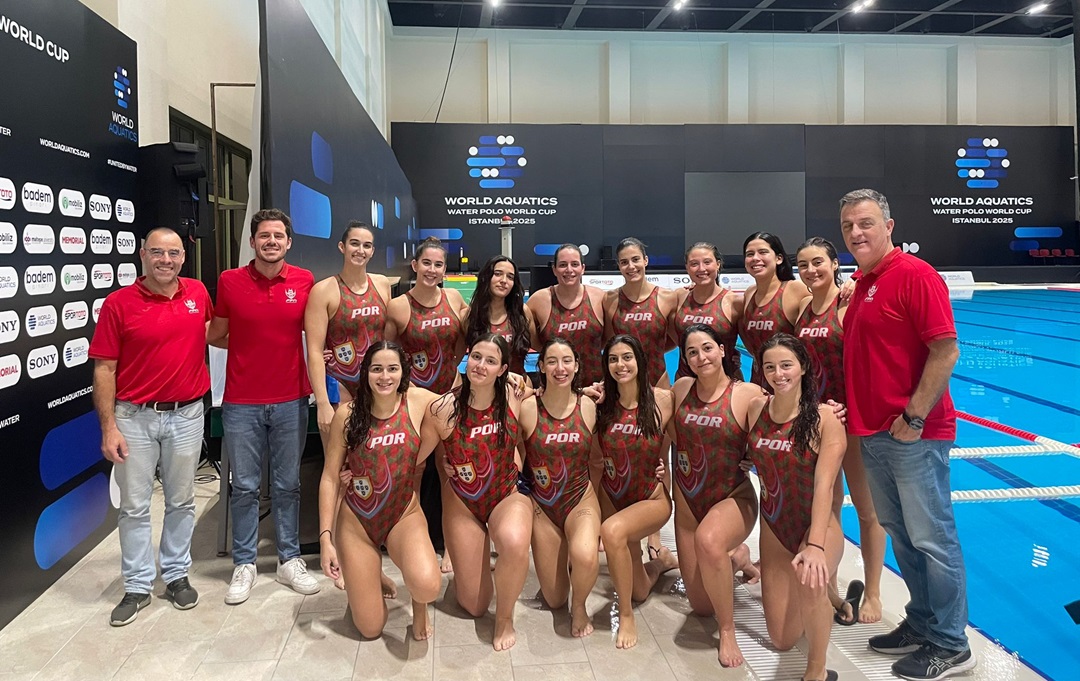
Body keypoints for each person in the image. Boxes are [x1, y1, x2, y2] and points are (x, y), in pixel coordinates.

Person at [839, 188, 972, 680]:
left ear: (889, 226)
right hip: (874, 433)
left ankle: (951, 643)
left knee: (933, 539)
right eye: (849, 225)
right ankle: (922, 622)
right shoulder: (864, 281)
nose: (856, 233)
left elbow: (946, 350)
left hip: (914, 435)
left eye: (866, 223)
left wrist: (914, 417)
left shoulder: (915, 275)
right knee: (904, 536)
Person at [89, 227, 212, 626]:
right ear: (142, 254)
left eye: (173, 253)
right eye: (157, 252)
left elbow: (215, 335)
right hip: (134, 418)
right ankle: (138, 585)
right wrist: (109, 427)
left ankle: (175, 575)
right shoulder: (118, 304)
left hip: (187, 414)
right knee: (135, 506)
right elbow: (104, 369)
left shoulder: (198, 294)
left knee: (182, 501)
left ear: (183, 258)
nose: (166, 260)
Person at [208, 208, 320, 604]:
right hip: (241, 402)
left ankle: (289, 559)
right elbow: (217, 335)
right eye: (264, 236)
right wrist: (248, 347)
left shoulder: (305, 281)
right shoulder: (230, 281)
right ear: (253, 241)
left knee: (288, 485)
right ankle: (245, 563)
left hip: (291, 399)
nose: (271, 242)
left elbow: (316, 334)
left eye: (278, 236)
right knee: (245, 488)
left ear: (289, 242)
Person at [318, 342, 441, 640]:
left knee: (427, 586)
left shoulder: (418, 401)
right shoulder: (347, 414)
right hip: (358, 521)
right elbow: (330, 478)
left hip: (403, 514)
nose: (385, 376)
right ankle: (370, 575)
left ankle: (419, 608)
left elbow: (466, 400)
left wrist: (516, 384)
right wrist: (325, 539)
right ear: (366, 373)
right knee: (370, 628)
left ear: (403, 372)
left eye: (392, 369)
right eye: (377, 369)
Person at [794, 237, 886, 625]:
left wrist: (857, 280)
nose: (811, 270)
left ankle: (874, 592)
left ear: (835, 264)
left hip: (851, 422)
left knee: (867, 510)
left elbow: (871, 363)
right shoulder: (802, 308)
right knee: (826, 507)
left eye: (818, 262)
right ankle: (829, 587)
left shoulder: (848, 305)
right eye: (803, 265)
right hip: (817, 423)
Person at [745, 334, 846, 681]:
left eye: (786, 365)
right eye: (770, 367)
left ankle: (817, 670)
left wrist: (815, 546)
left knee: (810, 581)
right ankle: (827, 598)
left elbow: (824, 487)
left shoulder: (825, 418)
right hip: (775, 527)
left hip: (817, 526)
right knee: (782, 638)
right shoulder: (756, 409)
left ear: (803, 367)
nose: (779, 374)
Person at [667, 324, 763, 667]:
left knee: (709, 541)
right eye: (692, 352)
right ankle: (738, 559)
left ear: (722, 350)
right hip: (689, 503)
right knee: (701, 606)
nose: (701, 357)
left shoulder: (747, 394)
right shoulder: (681, 389)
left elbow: (784, 421)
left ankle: (727, 630)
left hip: (733, 496)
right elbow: (642, 408)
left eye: (707, 348)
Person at [431, 334, 533, 651]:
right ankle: (474, 560)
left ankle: (504, 619)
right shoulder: (444, 407)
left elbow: (550, 410)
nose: (480, 365)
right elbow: (417, 457)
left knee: (514, 542)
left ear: (503, 369)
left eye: (491, 361)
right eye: (476, 357)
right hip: (463, 502)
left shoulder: (516, 394)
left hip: (505, 492)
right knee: (474, 605)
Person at [386, 237, 469, 573]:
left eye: (438, 265)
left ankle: (451, 545)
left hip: (449, 396)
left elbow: (461, 344)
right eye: (427, 263)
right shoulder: (398, 307)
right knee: (415, 471)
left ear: (444, 269)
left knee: (450, 470)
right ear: (415, 265)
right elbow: (388, 354)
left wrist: (454, 375)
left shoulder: (454, 298)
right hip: (416, 402)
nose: (432, 270)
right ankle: (414, 541)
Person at [595, 334, 678, 650]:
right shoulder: (601, 403)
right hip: (614, 497)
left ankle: (626, 615)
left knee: (612, 531)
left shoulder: (663, 400)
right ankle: (660, 563)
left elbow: (693, 441)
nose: (620, 365)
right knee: (640, 589)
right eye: (613, 359)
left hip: (650, 498)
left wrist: (744, 459)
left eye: (627, 357)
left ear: (640, 361)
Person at [519, 338, 601, 637]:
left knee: (586, 555)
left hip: (580, 499)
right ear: (540, 366)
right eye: (551, 361)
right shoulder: (527, 408)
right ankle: (564, 560)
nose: (560, 368)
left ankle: (579, 606)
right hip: (543, 506)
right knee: (554, 599)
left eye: (567, 361)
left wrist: (657, 467)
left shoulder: (589, 405)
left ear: (577, 366)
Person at [305, 220, 392, 436]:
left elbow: (389, 338)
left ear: (372, 251)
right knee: (338, 454)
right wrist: (322, 403)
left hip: (377, 383)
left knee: (375, 452)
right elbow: (314, 351)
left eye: (366, 245)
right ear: (342, 247)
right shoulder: (323, 291)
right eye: (354, 243)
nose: (360, 250)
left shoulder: (382, 285)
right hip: (340, 383)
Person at [527, 244, 606, 387]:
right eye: (563, 265)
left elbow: (610, 339)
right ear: (554, 269)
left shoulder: (600, 297)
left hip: (595, 388)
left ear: (583, 268)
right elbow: (533, 343)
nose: (569, 270)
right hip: (555, 388)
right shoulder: (538, 301)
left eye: (574, 264)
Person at [603, 238, 679, 387]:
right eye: (624, 262)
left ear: (645, 260)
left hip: (658, 379)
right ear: (619, 265)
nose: (631, 266)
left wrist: (653, 351)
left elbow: (677, 341)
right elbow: (610, 343)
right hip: (622, 381)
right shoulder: (609, 300)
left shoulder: (667, 297)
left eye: (635, 259)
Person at [738, 232, 810, 386]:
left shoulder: (795, 290)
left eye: (763, 252)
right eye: (750, 254)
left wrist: (850, 285)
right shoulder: (749, 294)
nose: (755, 258)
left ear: (779, 258)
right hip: (759, 384)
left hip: (790, 385)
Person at [670, 242, 742, 380]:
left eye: (707, 262)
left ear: (718, 264)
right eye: (694, 264)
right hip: (686, 381)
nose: (701, 268)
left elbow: (753, 343)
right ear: (687, 267)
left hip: (727, 381)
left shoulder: (734, 302)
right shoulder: (678, 297)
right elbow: (675, 338)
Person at [463, 256, 535, 377]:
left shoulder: (523, 313)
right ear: (486, 277)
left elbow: (537, 344)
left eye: (510, 277)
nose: (504, 280)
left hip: (516, 386)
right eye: (497, 274)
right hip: (482, 385)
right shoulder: (470, 316)